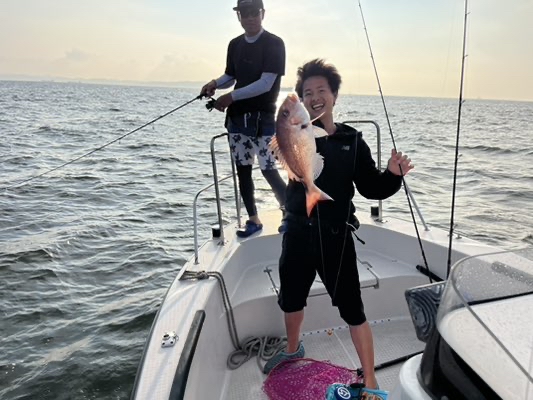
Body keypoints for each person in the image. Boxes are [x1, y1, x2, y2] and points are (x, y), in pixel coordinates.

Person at [263, 59, 414, 391]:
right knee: (291, 299)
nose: (315, 97)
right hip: (297, 231)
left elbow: (372, 188)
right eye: (307, 93)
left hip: (336, 236)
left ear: (334, 95)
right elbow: (279, 152)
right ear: (301, 101)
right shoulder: (294, 133)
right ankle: (292, 349)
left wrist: (393, 175)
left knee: (352, 308)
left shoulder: (352, 140)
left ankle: (370, 376)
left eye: (322, 90)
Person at [200, 0, 287, 238]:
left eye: (254, 12)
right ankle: (253, 219)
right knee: (243, 171)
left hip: (263, 120)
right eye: (244, 13)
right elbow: (231, 75)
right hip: (237, 120)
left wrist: (231, 96)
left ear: (263, 14)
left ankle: (289, 213)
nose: (250, 18)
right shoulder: (235, 44)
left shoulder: (274, 43)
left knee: (269, 169)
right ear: (238, 16)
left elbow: (266, 83)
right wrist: (214, 84)